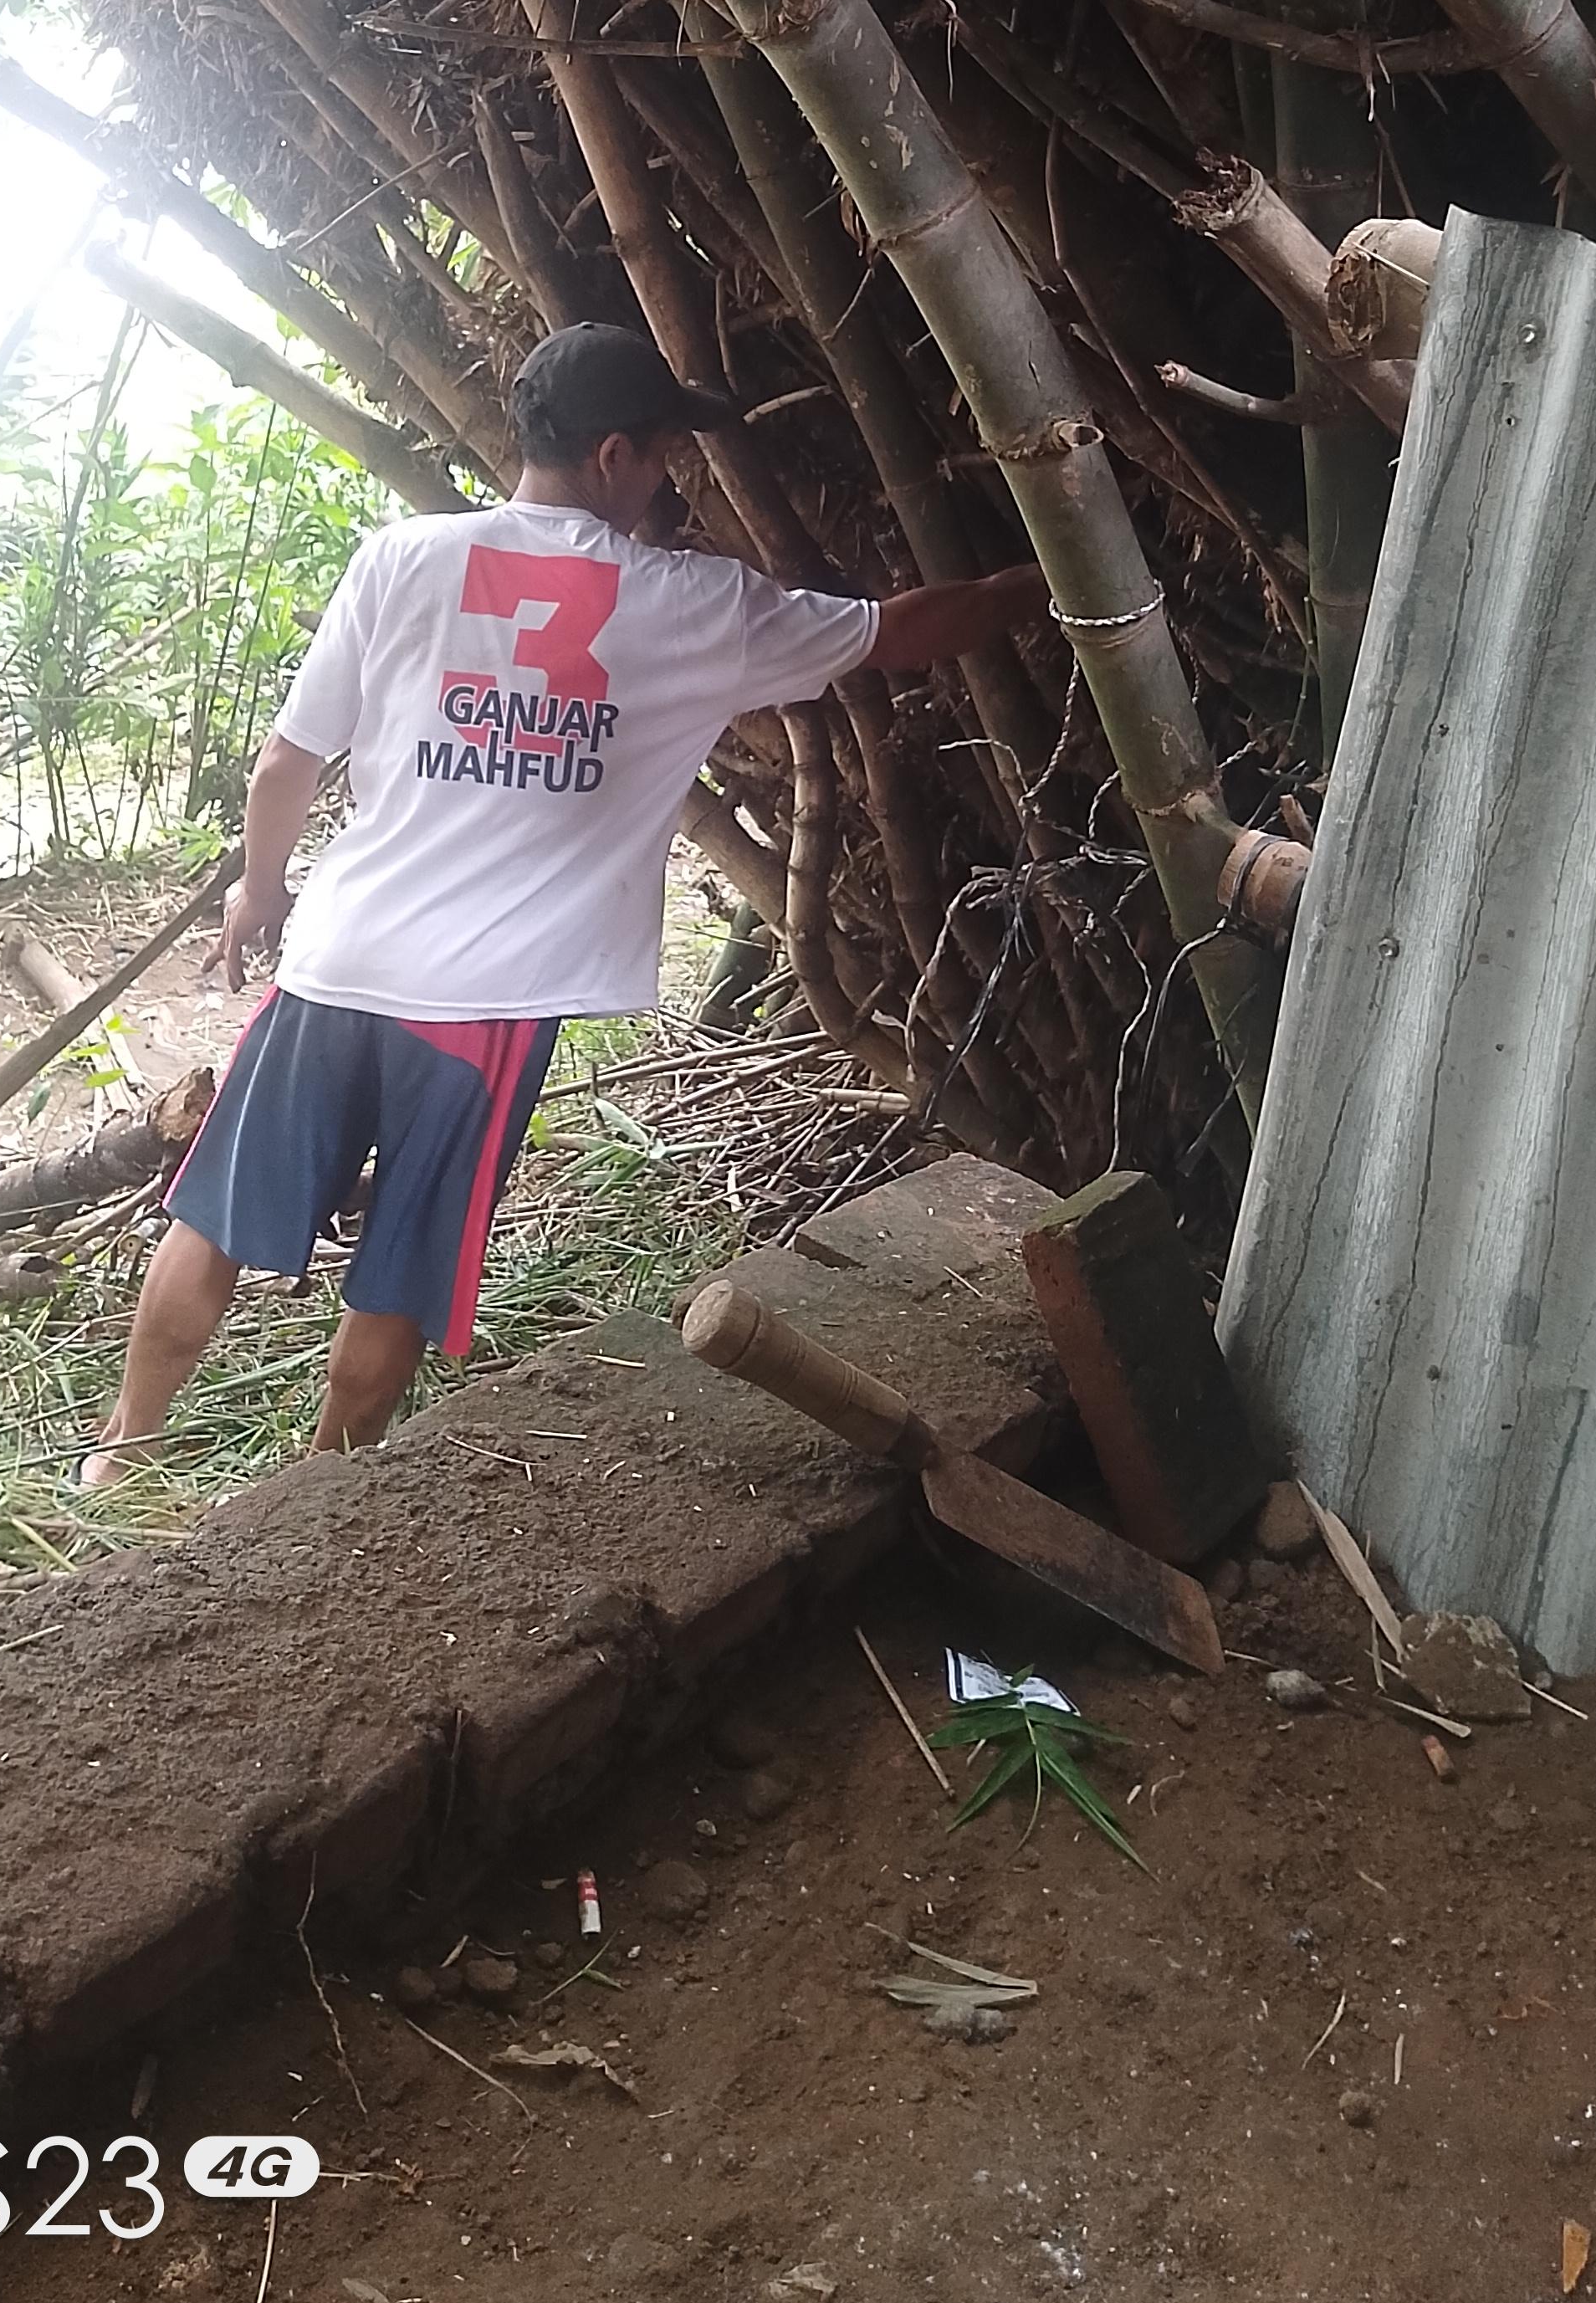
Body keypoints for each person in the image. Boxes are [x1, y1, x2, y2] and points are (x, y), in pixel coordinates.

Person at [79, 322, 1048, 1483]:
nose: (670, 482)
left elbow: (286, 763)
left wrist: (263, 888)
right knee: (403, 1270)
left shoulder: (401, 559)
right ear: (613, 457)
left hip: (337, 963)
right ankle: (315, 1502)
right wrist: (1047, 584)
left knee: (219, 1219)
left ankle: (118, 1460)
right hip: (484, 1005)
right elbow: (899, 633)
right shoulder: (693, 605)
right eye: (662, 457)